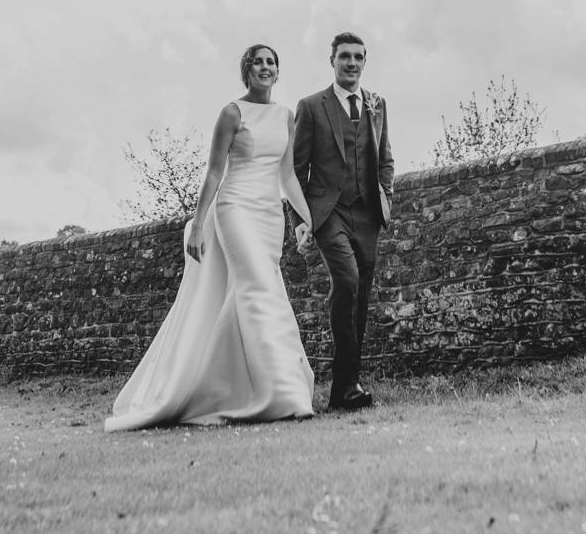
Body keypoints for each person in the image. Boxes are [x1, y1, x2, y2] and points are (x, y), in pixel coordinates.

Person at [105, 44, 316, 431]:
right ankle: (287, 395)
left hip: (269, 216)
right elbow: (215, 173)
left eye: (271, 63)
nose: (265, 68)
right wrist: (199, 224)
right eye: (258, 62)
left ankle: (234, 387)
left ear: (277, 72)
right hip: (233, 208)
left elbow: (286, 176)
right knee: (256, 288)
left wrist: (308, 218)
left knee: (263, 291)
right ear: (246, 71)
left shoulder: (287, 117)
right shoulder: (232, 113)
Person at [291, 31, 393, 412]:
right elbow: (296, 170)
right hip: (328, 213)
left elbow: (385, 158)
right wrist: (300, 220)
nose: (352, 63)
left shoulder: (378, 104)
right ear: (331, 61)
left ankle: (345, 389)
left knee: (361, 297)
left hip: (367, 214)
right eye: (344, 57)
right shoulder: (311, 106)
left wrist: (386, 195)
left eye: (358, 57)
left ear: (364, 62)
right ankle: (347, 384)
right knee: (346, 282)